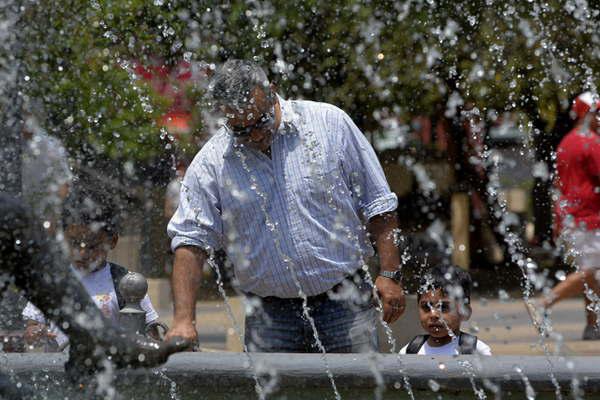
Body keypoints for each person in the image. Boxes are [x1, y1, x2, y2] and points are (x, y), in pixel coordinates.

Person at [166, 59, 406, 352]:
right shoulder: (213, 163)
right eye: (240, 129)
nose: (254, 135)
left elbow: (378, 203)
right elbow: (190, 241)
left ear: (272, 92)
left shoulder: (329, 124)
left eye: (260, 122)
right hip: (270, 316)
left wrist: (390, 273)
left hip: (345, 303)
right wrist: (183, 321)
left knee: (356, 390)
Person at [23, 187, 161, 350]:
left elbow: (152, 336)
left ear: (112, 241)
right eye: (74, 243)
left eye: (92, 246)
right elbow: (31, 328)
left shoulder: (127, 283)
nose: (82, 253)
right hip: (60, 372)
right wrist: (34, 333)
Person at [540, 91, 600, 340]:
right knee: (592, 270)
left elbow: (558, 184)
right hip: (590, 217)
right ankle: (543, 303)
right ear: (587, 114)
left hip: (573, 218)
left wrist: (557, 220)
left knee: (593, 274)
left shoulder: (566, 142)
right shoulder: (592, 142)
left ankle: (592, 325)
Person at [400, 264, 492, 355]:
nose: (433, 314)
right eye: (426, 307)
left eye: (443, 307)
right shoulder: (410, 351)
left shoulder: (476, 351)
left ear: (465, 312)